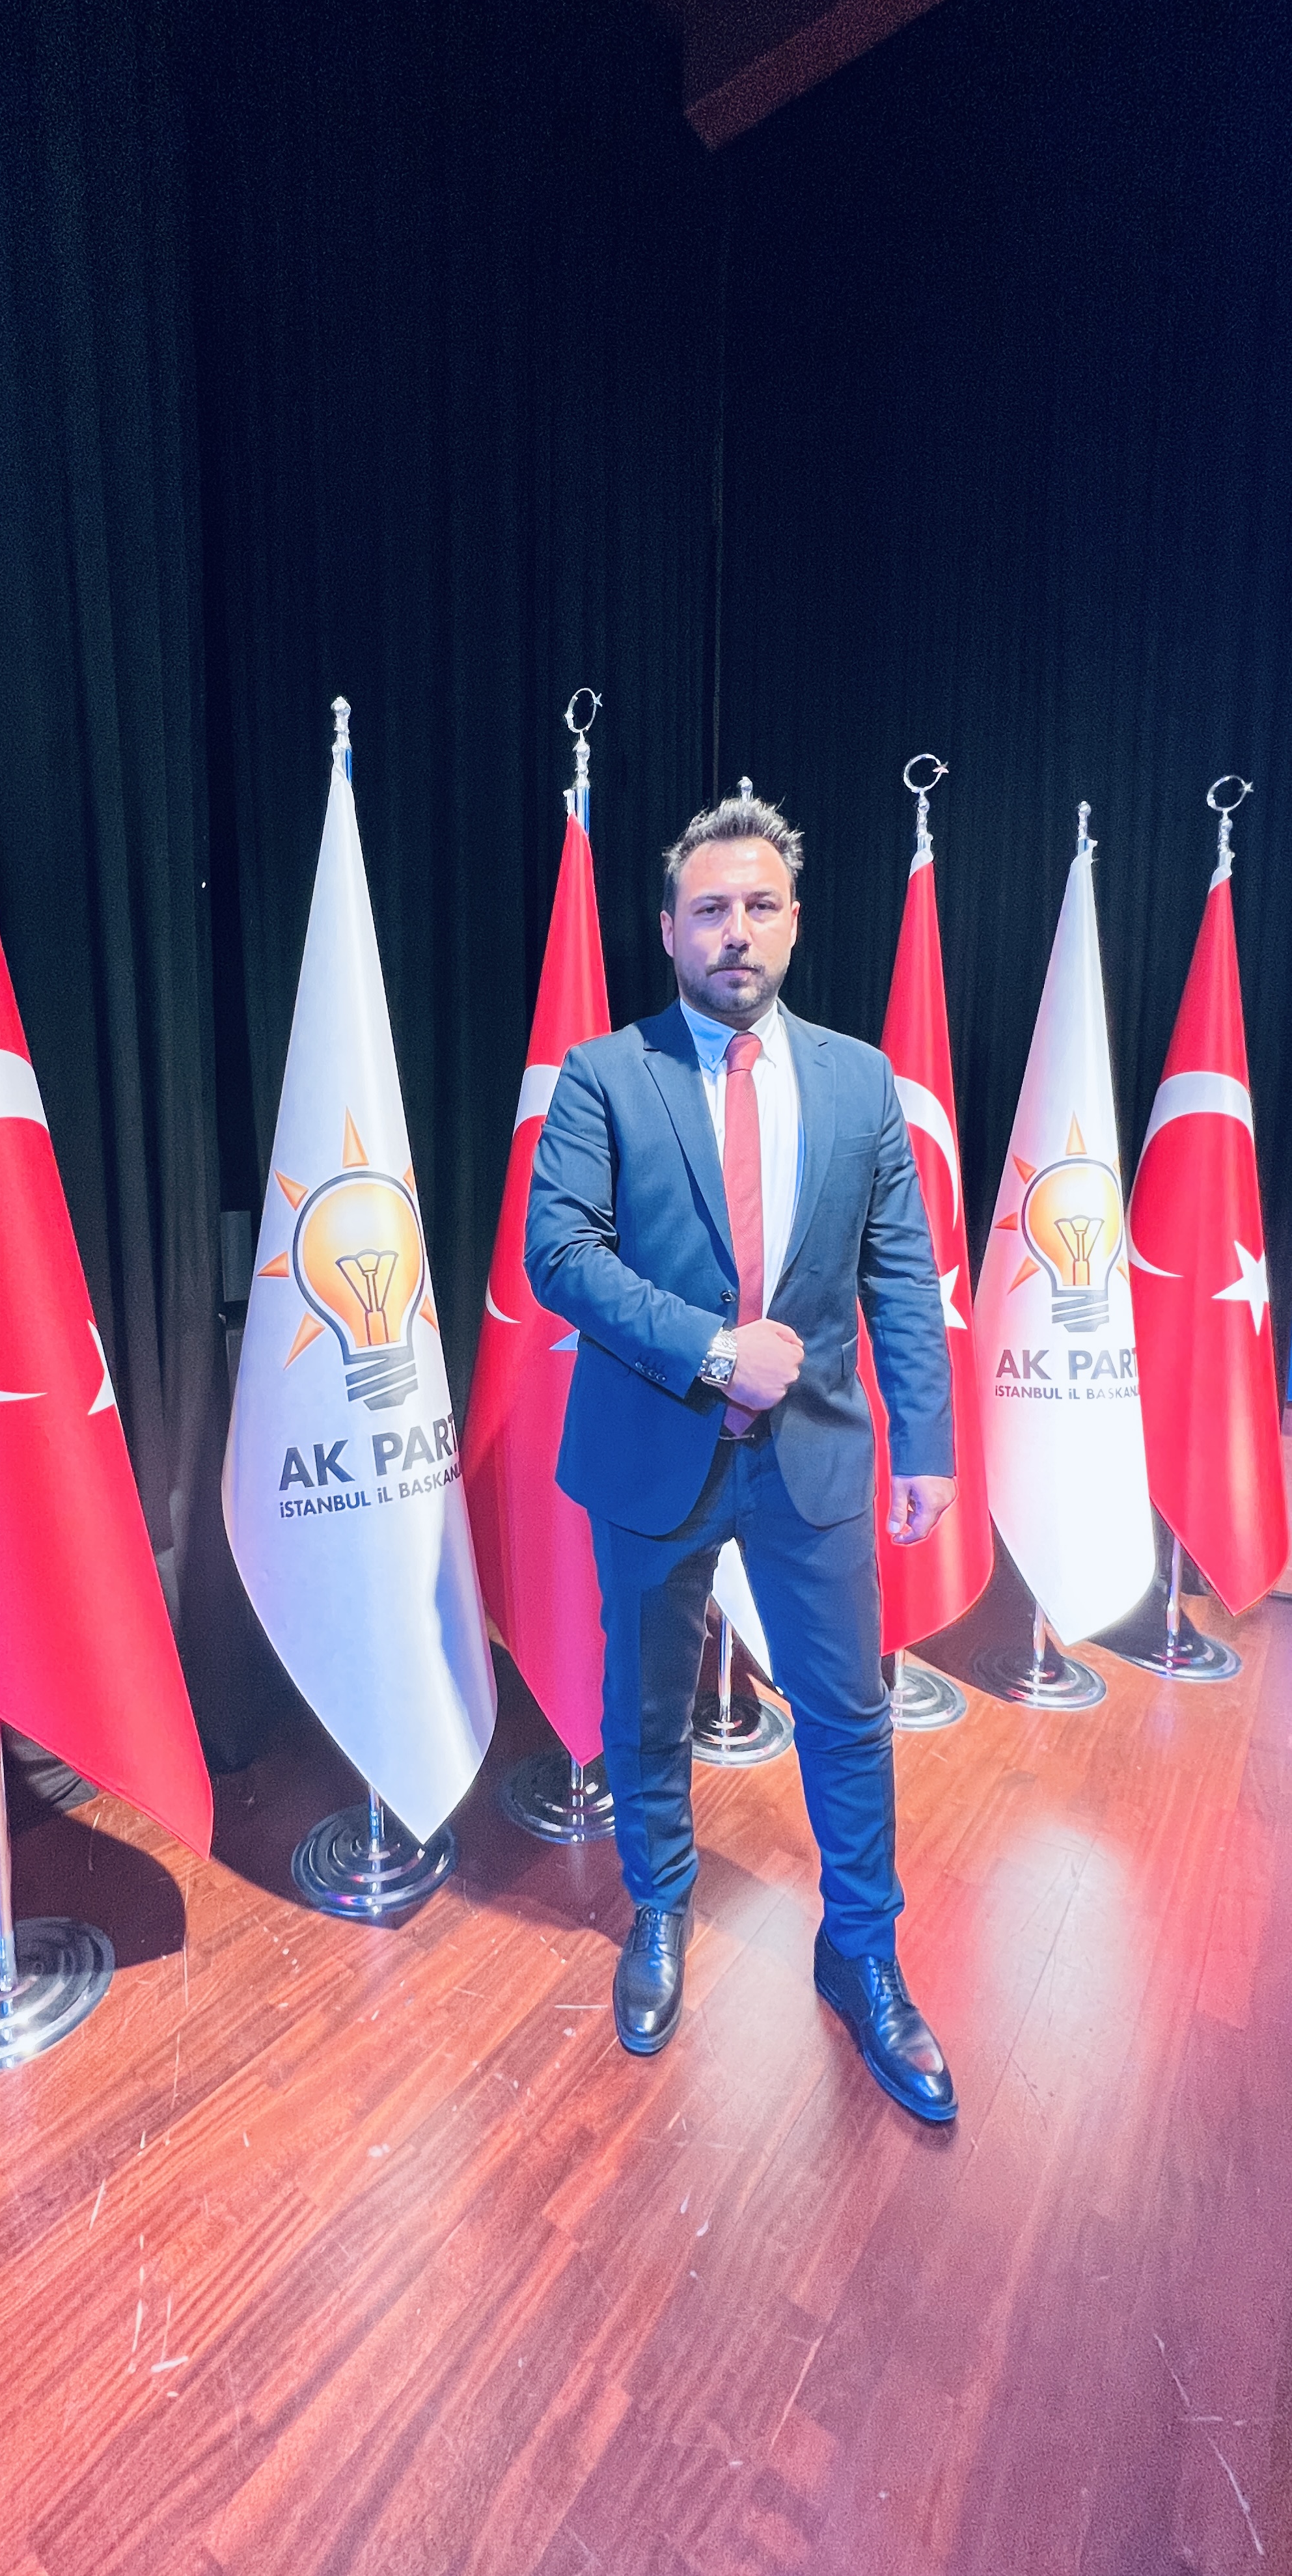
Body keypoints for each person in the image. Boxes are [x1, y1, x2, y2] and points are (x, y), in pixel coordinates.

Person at [525, 789, 959, 2122]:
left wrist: (925, 1440)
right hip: (653, 1451)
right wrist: (717, 1351)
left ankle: (863, 1951)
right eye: (709, 908)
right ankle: (659, 1910)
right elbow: (561, 1255)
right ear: (667, 929)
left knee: (848, 1713)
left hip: (814, 1455)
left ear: (794, 922)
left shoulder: (860, 1080)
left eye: (759, 905)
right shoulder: (606, 1075)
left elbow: (900, 1271)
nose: (736, 930)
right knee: (646, 1706)